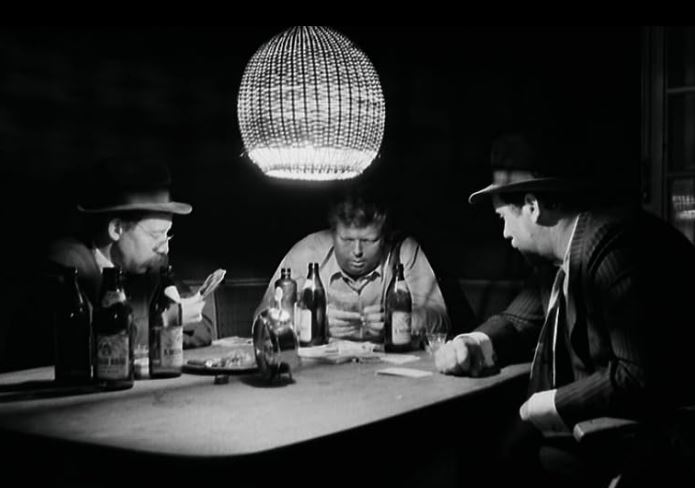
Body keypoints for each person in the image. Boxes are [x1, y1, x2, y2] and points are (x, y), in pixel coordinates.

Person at [434, 130, 695, 486]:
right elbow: (516, 320)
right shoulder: (558, 260)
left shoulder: (612, 247)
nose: (505, 233)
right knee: (506, 451)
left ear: (532, 206)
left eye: (503, 218)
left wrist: (549, 403)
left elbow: (637, 376)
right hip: (625, 426)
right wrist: (473, 342)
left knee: (515, 457)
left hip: (670, 435)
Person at [254, 186, 463, 345]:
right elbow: (260, 320)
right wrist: (307, 322)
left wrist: (397, 321)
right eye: (346, 239)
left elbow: (441, 320)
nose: (357, 251)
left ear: (384, 237)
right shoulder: (307, 252)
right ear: (332, 232)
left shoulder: (404, 251)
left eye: (369, 240)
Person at [46, 155, 212, 353]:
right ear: (117, 229)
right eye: (156, 235)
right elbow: (84, 342)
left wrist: (169, 323)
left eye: (167, 234)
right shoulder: (68, 265)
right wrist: (167, 321)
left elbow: (203, 328)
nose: (165, 248)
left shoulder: (155, 264)